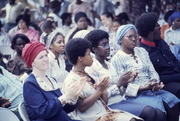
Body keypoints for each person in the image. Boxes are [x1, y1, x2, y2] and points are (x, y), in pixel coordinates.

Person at [85, 29, 166, 121]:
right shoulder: (92, 69)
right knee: (149, 112)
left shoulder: (109, 65)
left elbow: (122, 91)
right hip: (108, 105)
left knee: (159, 113)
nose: (108, 47)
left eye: (108, 44)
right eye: (104, 45)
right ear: (94, 49)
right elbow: (100, 97)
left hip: (121, 100)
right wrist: (119, 84)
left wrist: (126, 82)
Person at [111, 24, 179, 121]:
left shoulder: (142, 51)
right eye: (130, 36)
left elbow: (152, 71)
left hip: (151, 90)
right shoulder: (117, 59)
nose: (134, 39)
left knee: (174, 103)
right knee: (159, 113)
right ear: (121, 39)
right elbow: (123, 88)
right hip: (134, 96)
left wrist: (154, 82)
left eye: (135, 36)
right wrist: (145, 87)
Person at [63, 38, 142, 121]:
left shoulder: (88, 74)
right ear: (80, 58)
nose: (92, 57)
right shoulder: (72, 79)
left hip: (103, 112)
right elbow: (81, 107)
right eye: (89, 54)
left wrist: (103, 89)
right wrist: (99, 91)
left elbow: (104, 102)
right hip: (91, 117)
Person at [22, 42, 86, 121]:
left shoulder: (51, 80)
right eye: (41, 57)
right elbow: (44, 112)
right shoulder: (30, 83)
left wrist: (73, 96)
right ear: (32, 62)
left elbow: (64, 109)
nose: (45, 59)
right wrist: (66, 96)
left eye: (46, 55)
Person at [135, 12, 180, 98]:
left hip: (176, 75)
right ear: (150, 33)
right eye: (157, 26)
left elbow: (174, 60)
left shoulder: (160, 41)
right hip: (164, 84)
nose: (160, 27)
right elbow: (156, 78)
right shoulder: (142, 52)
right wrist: (178, 77)